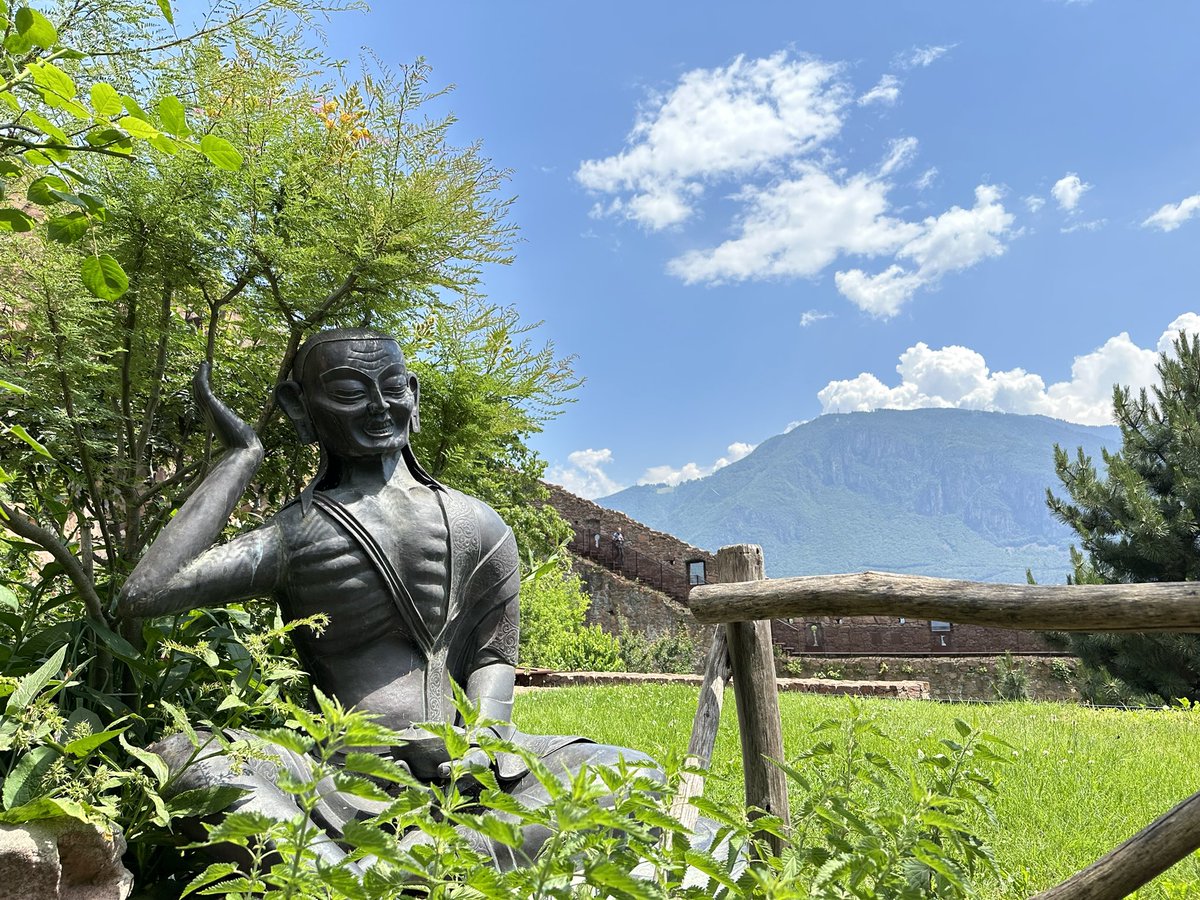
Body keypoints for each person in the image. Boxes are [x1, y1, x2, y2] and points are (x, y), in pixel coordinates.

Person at [118, 328, 657, 870]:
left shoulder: (478, 524)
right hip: (345, 776)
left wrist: (486, 744)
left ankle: (396, 865)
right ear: (299, 408)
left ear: (413, 395)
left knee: (633, 772)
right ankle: (383, 869)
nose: (379, 407)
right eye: (350, 392)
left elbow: (494, 656)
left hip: (479, 773)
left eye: (393, 387)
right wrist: (242, 457)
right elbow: (147, 592)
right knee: (189, 760)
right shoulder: (295, 536)